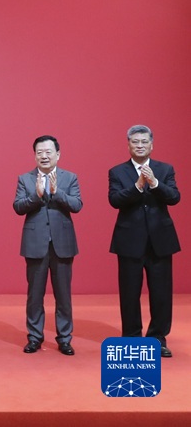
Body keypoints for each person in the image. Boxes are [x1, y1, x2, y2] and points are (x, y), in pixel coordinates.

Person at [108, 125, 181, 358]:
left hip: (160, 240)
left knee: (161, 293)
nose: (140, 145)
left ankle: (157, 338)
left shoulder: (165, 169)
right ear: (128, 145)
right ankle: (131, 338)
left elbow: (174, 197)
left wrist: (155, 183)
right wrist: (138, 186)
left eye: (144, 141)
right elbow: (114, 200)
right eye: (135, 142)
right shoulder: (117, 171)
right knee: (129, 293)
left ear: (151, 145)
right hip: (129, 241)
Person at [13, 135, 82, 355]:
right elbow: (18, 206)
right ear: (34, 155)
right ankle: (34, 337)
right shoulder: (25, 179)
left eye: (48, 152)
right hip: (35, 244)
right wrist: (37, 195)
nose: (44, 156)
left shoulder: (69, 178)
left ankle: (64, 339)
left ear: (57, 155)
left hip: (62, 244)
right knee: (35, 295)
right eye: (39, 152)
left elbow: (77, 205)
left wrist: (57, 192)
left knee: (63, 296)